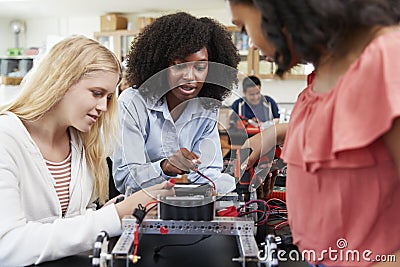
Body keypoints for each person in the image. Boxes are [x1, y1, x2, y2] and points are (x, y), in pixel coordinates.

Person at [227, 0, 400, 267]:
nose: (251, 45)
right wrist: (274, 134)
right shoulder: (322, 73)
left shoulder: (388, 60)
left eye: (244, 28)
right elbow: (340, 125)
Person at [0, 35, 174, 266]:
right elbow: (8, 245)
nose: (103, 107)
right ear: (61, 81)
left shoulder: (82, 142)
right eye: (96, 93)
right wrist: (115, 216)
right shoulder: (6, 138)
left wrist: (108, 213)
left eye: (109, 97)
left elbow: (70, 221)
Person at [112, 12, 241, 195]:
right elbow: (126, 180)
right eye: (179, 65)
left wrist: (240, 182)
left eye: (200, 67)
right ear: (161, 66)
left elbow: (208, 173)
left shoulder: (206, 107)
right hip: (135, 210)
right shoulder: (132, 103)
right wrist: (165, 167)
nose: (189, 77)